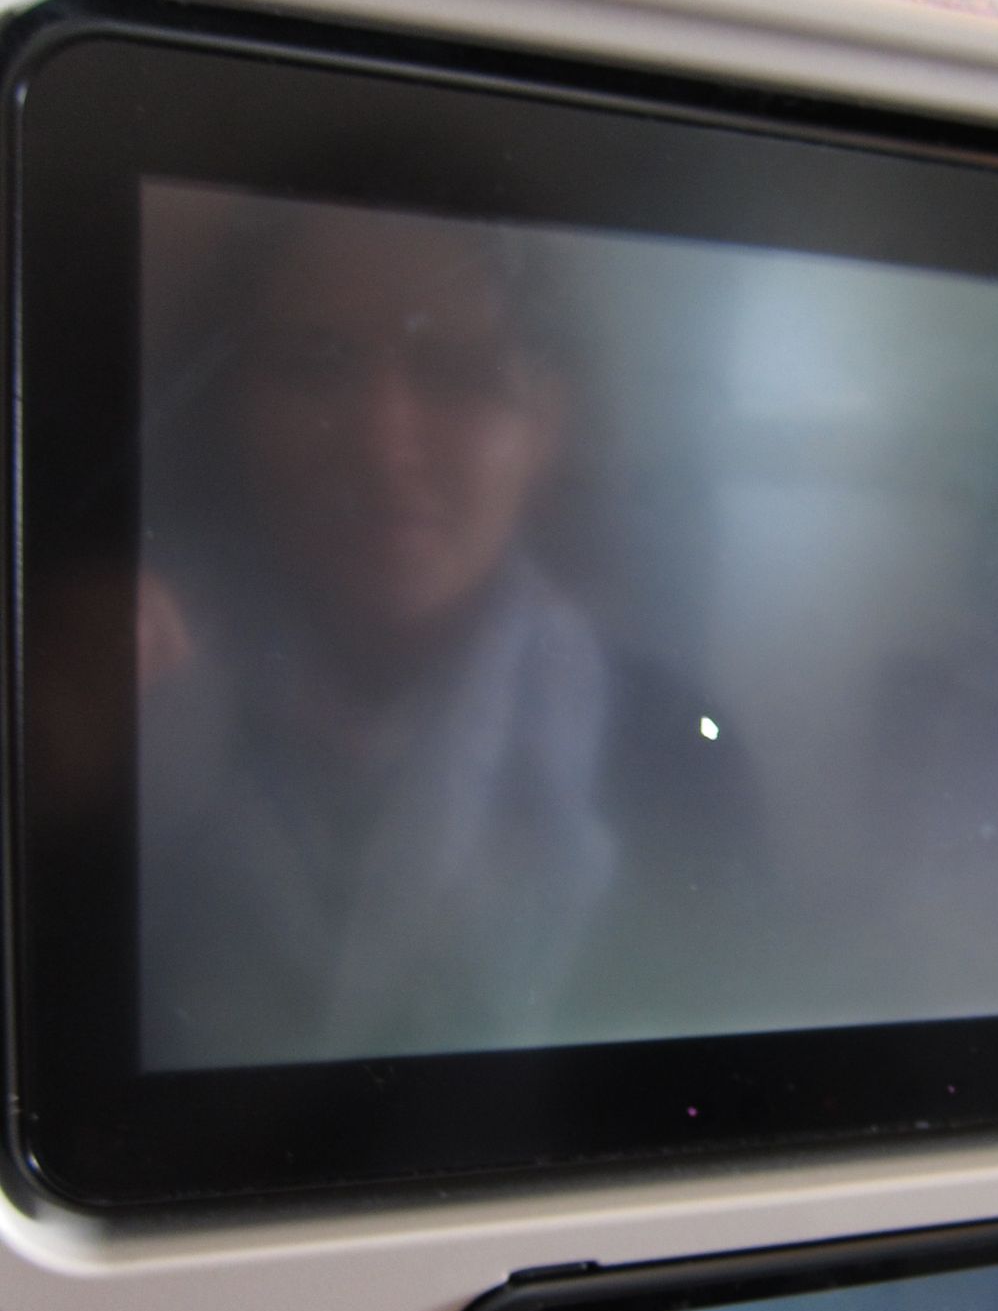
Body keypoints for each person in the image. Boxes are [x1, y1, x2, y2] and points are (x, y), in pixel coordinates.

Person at [138, 195, 759, 1071]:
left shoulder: (675, 754)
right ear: (232, 408)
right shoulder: (118, 716)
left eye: (460, 373)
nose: (382, 442)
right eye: (316, 367)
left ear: (546, 425)